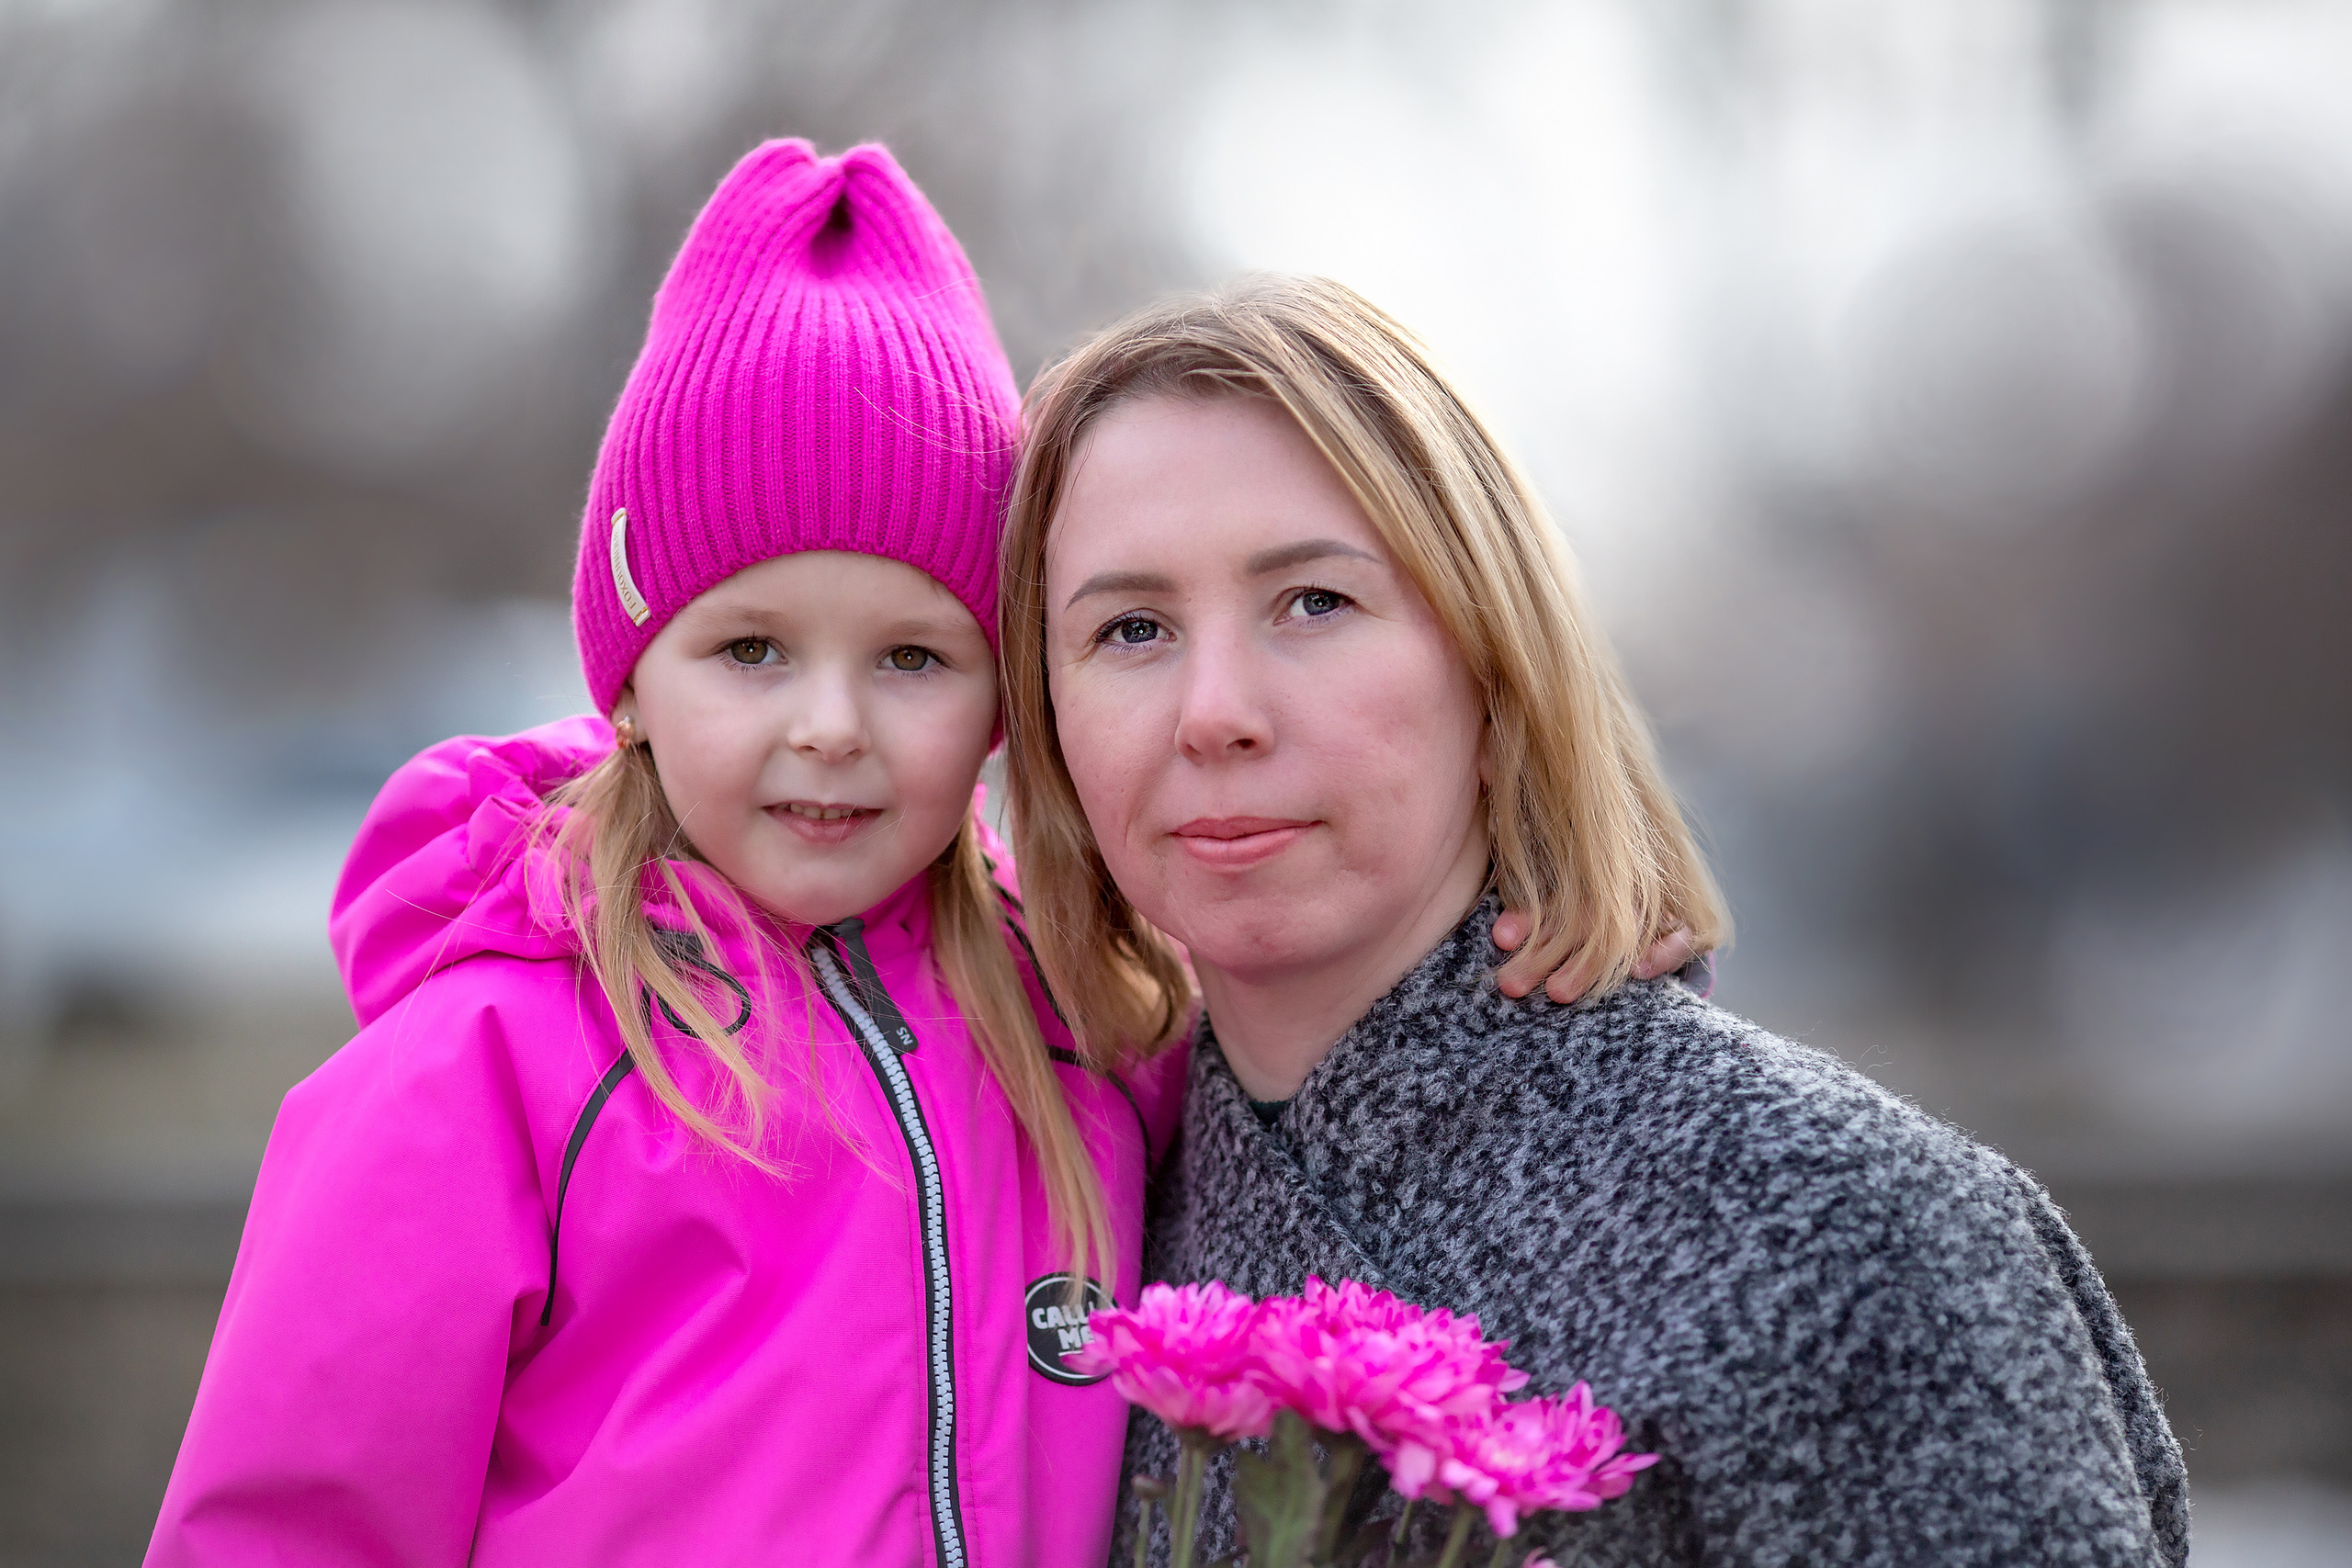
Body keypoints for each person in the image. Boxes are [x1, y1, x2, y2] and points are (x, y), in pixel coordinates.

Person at [995, 276, 2190, 1566]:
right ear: (1049, 730)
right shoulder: (1057, 1241)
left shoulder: (1855, 1239)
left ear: (1493, 663)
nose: (1213, 710)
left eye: (1315, 603)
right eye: (1130, 628)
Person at [146, 140, 1180, 1567]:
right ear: (631, 680)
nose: (831, 726)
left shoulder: (1089, 1026)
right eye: (750, 649)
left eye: (912, 657)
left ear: (1006, 693)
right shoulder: (484, 1072)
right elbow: (288, 1530)